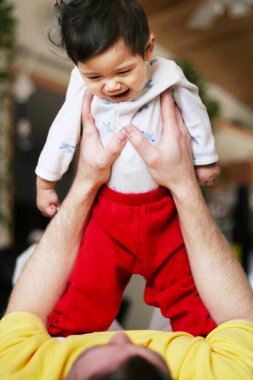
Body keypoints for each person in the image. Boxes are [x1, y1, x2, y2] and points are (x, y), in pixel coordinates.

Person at [1, 90, 253, 380]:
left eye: (92, 352)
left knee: (29, 259)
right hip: (201, 341)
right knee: (198, 303)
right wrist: (183, 183)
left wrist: (86, 180)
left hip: (74, 315)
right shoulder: (227, 372)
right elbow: (241, 319)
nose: (120, 336)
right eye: (142, 353)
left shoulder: (16, 370)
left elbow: (25, 312)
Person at [36, 0, 219, 338]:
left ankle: (202, 342)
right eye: (95, 76)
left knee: (184, 286)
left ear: (147, 48)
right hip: (108, 214)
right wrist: (46, 180)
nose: (111, 86)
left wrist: (205, 159)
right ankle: (65, 340)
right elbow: (63, 131)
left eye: (123, 72)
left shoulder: (169, 76)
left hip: (164, 211)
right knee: (89, 285)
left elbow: (195, 114)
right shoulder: (80, 86)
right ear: (80, 69)